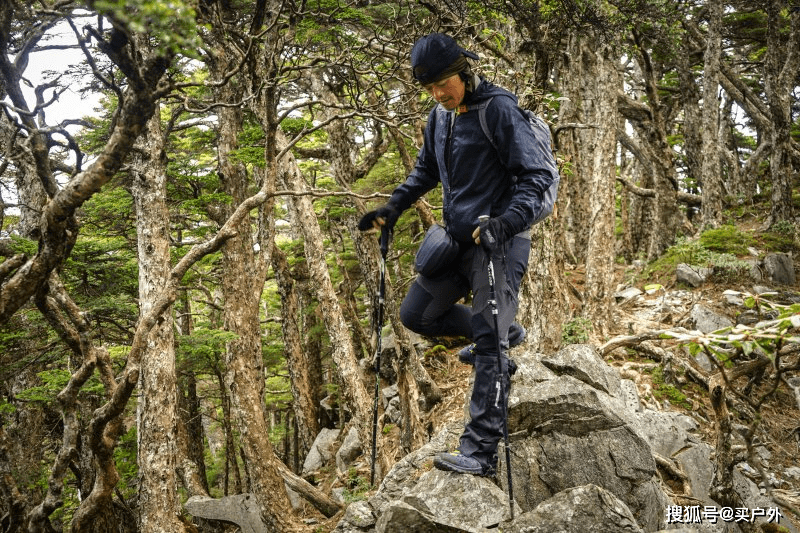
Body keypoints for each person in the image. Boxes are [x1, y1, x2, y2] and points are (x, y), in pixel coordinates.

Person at [358, 32, 558, 477]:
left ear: (463, 72)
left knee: (488, 340)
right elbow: (426, 170)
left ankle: (480, 453)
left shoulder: (499, 109)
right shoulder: (440, 117)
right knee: (417, 316)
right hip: (455, 243)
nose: (437, 94)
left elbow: (538, 176)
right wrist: (392, 208)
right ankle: (505, 334)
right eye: (429, 88)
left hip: (499, 243)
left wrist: (504, 222)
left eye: (442, 84)